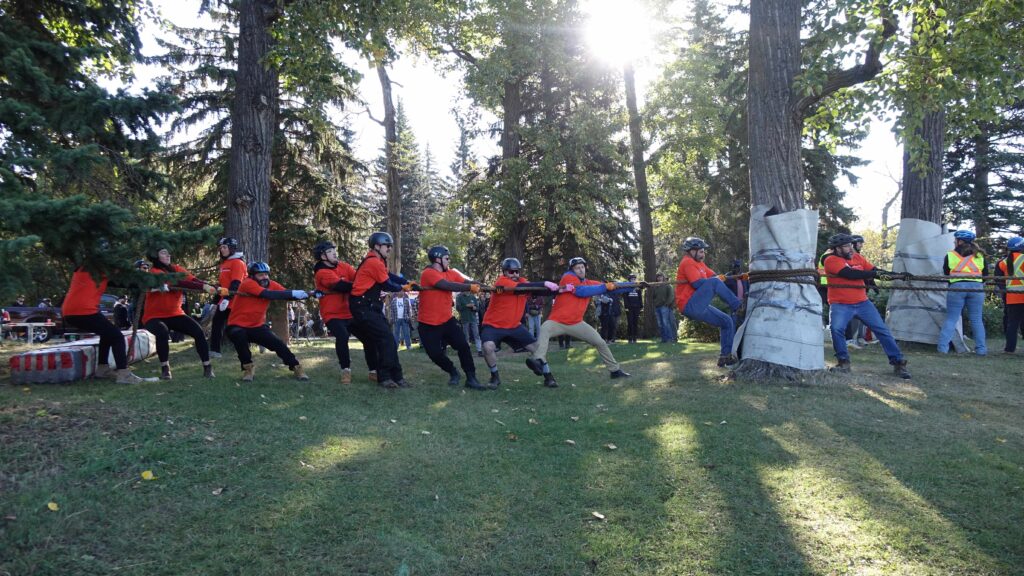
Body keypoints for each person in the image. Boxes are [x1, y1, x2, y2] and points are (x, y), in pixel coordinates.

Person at [526, 257, 631, 387]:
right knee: (544, 329)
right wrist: (605, 287)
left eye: (582, 267)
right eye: (577, 268)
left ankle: (615, 370)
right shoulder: (568, 277)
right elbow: (582, 292)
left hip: (576, 323)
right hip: (557, 321)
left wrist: (632, 286)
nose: (580, 270)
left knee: (600, 342)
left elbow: (612, 287)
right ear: (572, 270)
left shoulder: (588, 282)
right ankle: (539, 361)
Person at [822, 233, 911, 378]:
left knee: (882, 330)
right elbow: (850, 274)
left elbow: (875, 272)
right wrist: (872, 273)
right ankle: (843, 362)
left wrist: (897, 275)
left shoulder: (858, 257)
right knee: (836, 330)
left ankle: (898, 363)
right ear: (837, 248)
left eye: (851, 245)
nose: (850, 249)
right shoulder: (830, 260)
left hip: (863, 302)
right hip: (840, 304)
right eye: (846, 246)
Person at [143, 246, 225, 380]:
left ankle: (207, 367)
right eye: (163, 253)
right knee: (162, 332)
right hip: (154, 316)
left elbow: (193, 280)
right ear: (155, 257)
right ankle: (165, 368)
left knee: (198, 332)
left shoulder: (177, 269)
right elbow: (179, 282)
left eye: (168, 252)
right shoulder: (154, 272)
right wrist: (203, 286)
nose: (168, 255)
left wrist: (212, 287)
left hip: (175, 314)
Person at [480, 258, 560, 388]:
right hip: (493, 325)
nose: (515, 275)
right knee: (487, 347)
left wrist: (556, 290)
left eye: (517, 272)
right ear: (505, 272)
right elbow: (523, 288)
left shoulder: (522, 281)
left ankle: (548, 377)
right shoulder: (502, 282)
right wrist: (545, 282)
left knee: (537, 349)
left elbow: (534, 289)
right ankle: (494, 377)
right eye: (512, 272)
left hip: (514, 326)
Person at [226, 262, 311, 382]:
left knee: (278, 344)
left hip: (257, 326)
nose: (265, 277)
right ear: (252, 276)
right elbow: (267, 294)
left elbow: (284, 294)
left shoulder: (271, 284)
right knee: (239, 337)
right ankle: (248, 368)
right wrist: (294, 293)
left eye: (266, 274)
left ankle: (296, 367)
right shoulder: (247, 283)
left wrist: (308, 294)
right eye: (261, 275)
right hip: (237, 325)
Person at [417, 245, 486, 389]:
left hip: (447, 320)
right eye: (447, 258)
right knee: (435, 354)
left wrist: (487, 287)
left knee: (463, 346)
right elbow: (447, 286)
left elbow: (467, 282)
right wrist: (469, 288)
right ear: (437, 259)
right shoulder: (428, 273)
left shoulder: (451, 272)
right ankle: (453, 371)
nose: (449, 261)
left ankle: (471, 378)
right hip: (428, 323)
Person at [348, 231, 410, 389]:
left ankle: (397, 377)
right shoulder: (373, 262)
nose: (389, 249)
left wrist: (406, 281)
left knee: (388, 339)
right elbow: (387, 284)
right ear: (377, 246)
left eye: (390, 246)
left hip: (370, 307)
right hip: (363, 308)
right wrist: (403, 287)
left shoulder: (378, 262)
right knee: (387, 340)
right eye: (387, 246)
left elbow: (389, 276)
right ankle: (385, 377)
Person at [62, 267, 144, 384]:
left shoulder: (88, 268)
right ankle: (123, 374)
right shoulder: (99, 266)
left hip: (71, 310)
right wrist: (147, 281)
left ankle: (102, 369)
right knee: (117, 336)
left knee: (107, 334)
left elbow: (117, 283)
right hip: (83, 310)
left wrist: (138, 284)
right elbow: (124, 278)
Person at [312, 240, 378, 384]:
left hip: (349, 312)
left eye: (334, 250)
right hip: (332, 314)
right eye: (330, 251)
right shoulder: (321, 273)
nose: (334, 253)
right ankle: (345, 370)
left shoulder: (344, 266)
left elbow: (359, 278)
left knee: (369, 337)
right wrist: (363, 286)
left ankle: (374, 371)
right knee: (342, 336)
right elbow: (341, 286)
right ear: (323, 257)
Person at [676, 237, 743, 367]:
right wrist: (716, 281)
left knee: (727, 321)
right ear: (691, 251)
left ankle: (725, 356)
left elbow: (714, 276)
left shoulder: (700, 264)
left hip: (699, 305)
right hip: (689, 305)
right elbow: (697, 284)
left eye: (703, 252)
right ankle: (738, 306)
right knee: (714, 282)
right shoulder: (687, 262)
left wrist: (727, 277)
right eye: (701, 251)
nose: (703, 254)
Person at [937, 229, 987, 356]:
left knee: (951, 319)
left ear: (959, 241)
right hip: (976, 288)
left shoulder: (950, 255)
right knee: (976, 320)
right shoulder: (980, 255)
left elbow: (946, 272)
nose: (954, 241)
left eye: (955, 240)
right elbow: (985, 274)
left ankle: (942, 349)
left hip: (956, 287)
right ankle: (981, 350)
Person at [208, 237, 247, 359]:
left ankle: (260, 342)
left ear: (231, 248)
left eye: (224, 247)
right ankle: (215, 350)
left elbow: (236, 284)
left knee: (241, 325)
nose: (222, 250)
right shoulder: (224, 263)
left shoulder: (238, 263)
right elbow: (222, 285)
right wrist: (215, 301)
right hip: (224, 299)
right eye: (221, 248)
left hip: (236, 301)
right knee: (217, 323)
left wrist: (227, 299)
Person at [995, 236, 1024, 353]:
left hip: (1011, 298)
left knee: (1012, 324)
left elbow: (999, 281)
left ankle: (1009, 349)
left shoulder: (1002, 263)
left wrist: (1005, 293)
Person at [455, 288, 483, 356]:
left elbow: (477, 308)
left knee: (476, 334)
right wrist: (466, 306)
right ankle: (467, 351)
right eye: (466, 290)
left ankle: (479, 351)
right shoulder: (459, 297)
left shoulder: (472, 296)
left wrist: (474, 308)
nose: (467, 291)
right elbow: (458, 308)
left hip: (473, 319)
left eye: (468, 290)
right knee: (466, 335)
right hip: (464, 319)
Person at [651, 272, 676, 343]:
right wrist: (655, 303)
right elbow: (653, 297)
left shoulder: (667, 285)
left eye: (660, 277)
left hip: (664, 307)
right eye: (658, 277)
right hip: (657, 307)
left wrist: (666, 304)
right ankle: (663, 339)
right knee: (660, 324)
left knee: (666, 323)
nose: (659, 278)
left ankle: (670, 339)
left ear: (663, 277)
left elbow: (671, 296)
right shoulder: (655, 286)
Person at [623, 273, 643, 343]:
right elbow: (625, 298)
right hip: (629, 308)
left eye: (634, 279)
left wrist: (641, 306)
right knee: (630, 322)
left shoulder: (638, 288)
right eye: (632, 279)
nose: (633, 280)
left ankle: (635, 338)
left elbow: (640, 298)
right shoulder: (626, 288)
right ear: (629, 280)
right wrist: (626, 307)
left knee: (635, 322)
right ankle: (630, 337)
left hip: (636, 307)